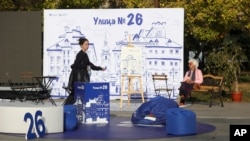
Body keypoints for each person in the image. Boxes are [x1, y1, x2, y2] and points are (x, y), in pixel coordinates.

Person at [64, 37, 106, 105]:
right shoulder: (81, 54)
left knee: (76, 94)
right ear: (81, 45)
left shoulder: (84, 54)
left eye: (88, 44)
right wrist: (86, 67)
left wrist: (100, 68)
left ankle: (69, 108)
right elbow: (76, 65)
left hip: (81, 77)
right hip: (78, 77)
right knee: (75, 94)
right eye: (86, 44)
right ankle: (66, 108)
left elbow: (90, 65)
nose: (87, 46)